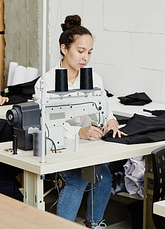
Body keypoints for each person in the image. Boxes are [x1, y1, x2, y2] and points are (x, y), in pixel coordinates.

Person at [34, 14, 124, 229]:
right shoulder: (47, 82)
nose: (86, 58)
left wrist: (111, 121)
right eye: (81, 51)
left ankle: (94, 223)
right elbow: (47, 124)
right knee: (77, 177)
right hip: (57, 146)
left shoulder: (93, 79)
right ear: (64, 49)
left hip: (87, 146)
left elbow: (104, 109)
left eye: (90, 52)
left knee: (103, 175)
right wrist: (79, 132)